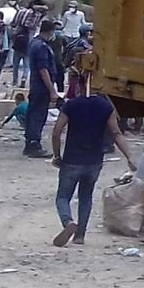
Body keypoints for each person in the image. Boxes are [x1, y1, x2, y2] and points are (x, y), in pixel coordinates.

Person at [50, 86, 133, 246]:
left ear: (79, 86)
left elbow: (56, 132)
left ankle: (68, 222)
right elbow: (116, 133)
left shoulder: (71, 105)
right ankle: (80, 235)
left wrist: (57, 155)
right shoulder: (106, 106)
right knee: (86, 197)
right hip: (94, 160)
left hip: (72, 159)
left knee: (63, 197)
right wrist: (129, 157)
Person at [23, 17, 60, 158]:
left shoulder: (34, 43)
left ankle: (30, 143)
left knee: (33, 114)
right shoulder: (42, 47)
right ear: (50, 31)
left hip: (36, 86)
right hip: (41, 87)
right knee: (38, 116)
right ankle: (34, 145)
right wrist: (52, 90)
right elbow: (43, 70)